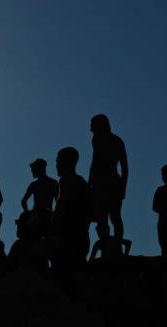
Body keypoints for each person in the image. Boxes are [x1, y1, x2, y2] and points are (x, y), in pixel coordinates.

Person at [88, 114, 128, 242]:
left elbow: (124, 166)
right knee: (103, 216)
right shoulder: (98, 139)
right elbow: (94, 162)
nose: (91, 129)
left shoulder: (113, 141)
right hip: (102, 182)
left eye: (92, 126)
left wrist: (123, 186)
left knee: (112, 216)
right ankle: (107, 242)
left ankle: (115, 243)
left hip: (109, 182)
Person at [52, 147, 92, 268]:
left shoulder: (68, 181)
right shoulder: (80, 182)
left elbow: (63, 207)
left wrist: (54, 230)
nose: (57, 165)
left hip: (69, 238)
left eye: (59, 161)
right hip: (78, 237)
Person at [21, 158, 58, 238]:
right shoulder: (52, 183)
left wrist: (27, 213)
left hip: (44, 216)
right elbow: (23, 201)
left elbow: (24, 201)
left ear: (40, 168)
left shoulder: (51, 183)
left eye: (34, 169)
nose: (32, 171)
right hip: (41, 216)